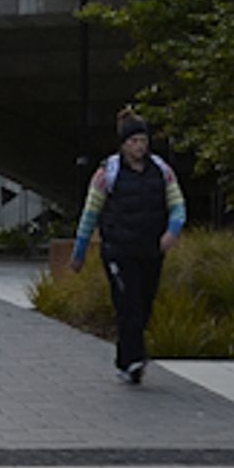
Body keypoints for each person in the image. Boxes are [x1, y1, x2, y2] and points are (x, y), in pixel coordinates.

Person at [66, 113, 184, 385]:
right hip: (119, 250)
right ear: (123, 144)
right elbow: (90, 213)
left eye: (143, 140)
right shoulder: (107, 172)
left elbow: (178, 204)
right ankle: (134, 359)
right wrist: (79, 252)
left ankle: (126, 359)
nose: (140, 146)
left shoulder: (161, 170)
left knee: (143, 305)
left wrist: (172, 231)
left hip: (151, 250)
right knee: (128, 303)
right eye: (134, 141)